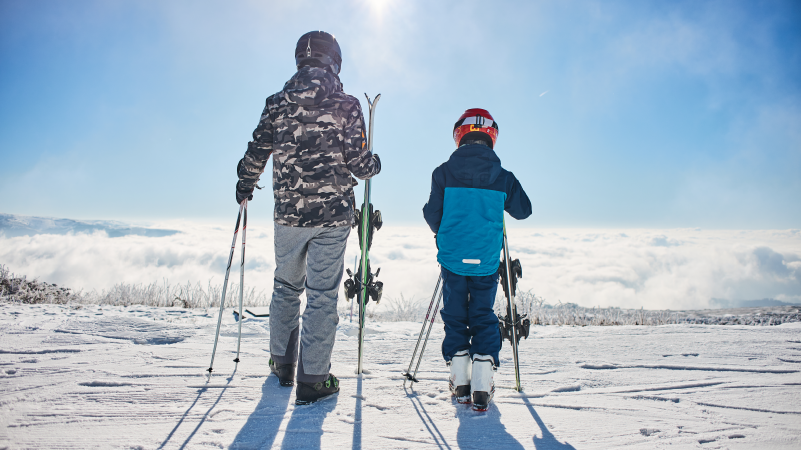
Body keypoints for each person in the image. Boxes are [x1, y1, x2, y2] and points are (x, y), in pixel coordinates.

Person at [235, 30, 381, 405]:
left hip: (287, 215)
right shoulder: (347, 104)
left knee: (285, 287)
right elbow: (360, 166)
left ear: (300, 59)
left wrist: (245, 184)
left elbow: (256, 151)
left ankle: (282, 365)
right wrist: (375, 163)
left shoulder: (276, 102)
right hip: (332, 218)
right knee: (320, 297)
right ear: (335, 61)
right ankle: (313, 379)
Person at [422, 108, 531, 411]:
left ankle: (460, 383)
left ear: (460, 135)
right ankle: (482, 385)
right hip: (485, 260)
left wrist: (445, 230)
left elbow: (433, 215)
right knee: (482, 314)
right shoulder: (503, 177)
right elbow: (524, 210)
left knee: (455, 314)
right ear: (491, 137)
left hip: (453, 257)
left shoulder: (442, 173)